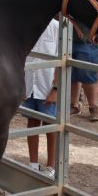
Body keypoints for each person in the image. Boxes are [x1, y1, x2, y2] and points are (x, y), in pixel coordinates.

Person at [23, 17, 59, 178]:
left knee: (50, 125)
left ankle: (51, 165)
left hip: (47, 85)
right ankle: (33, 163)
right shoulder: (26, 24)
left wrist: (56, 88)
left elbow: (61, 59)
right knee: (32, 122)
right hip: (29, 83)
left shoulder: (57, 27)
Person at [69, 29, 98, 122]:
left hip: (87, 40)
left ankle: (93, 106)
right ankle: (74, 105)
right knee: (71, 73)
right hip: (68, 38)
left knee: (87, 73)